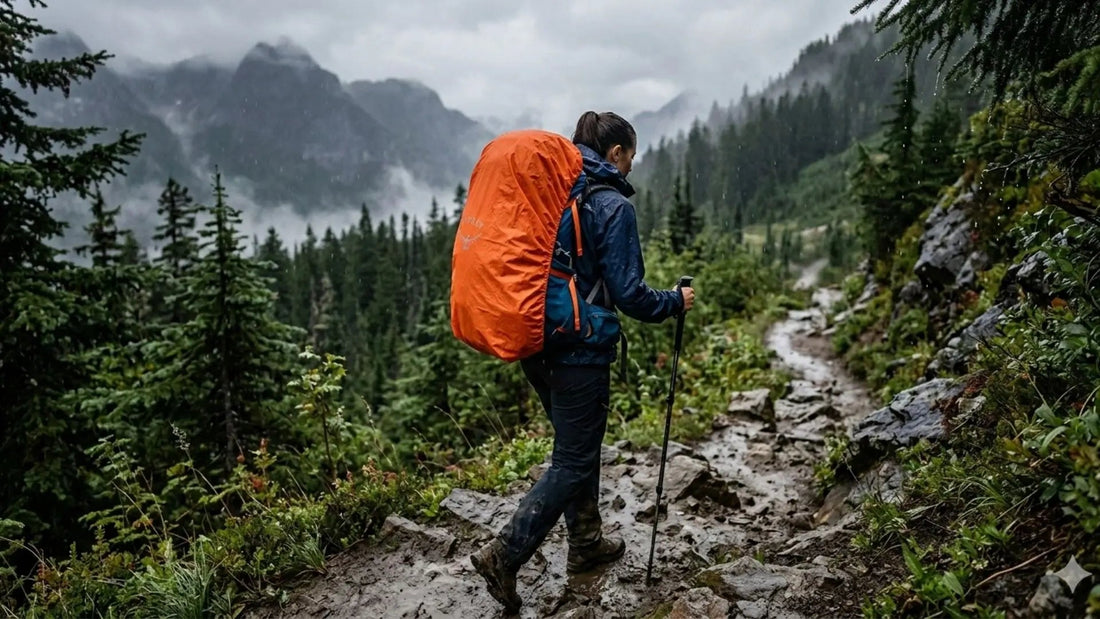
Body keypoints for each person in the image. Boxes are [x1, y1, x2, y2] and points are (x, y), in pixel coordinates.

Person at [470, 111, 696, 613]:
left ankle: (586, 544)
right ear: (615, 153)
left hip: (537, 342)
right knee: (574, 459)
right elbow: (631, 295)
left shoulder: (554, 195)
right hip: (579, 348)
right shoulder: (611, 205)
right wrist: (674, 301)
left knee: (577, 450)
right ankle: (504, 554)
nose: (632, 166)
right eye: (631, 156)